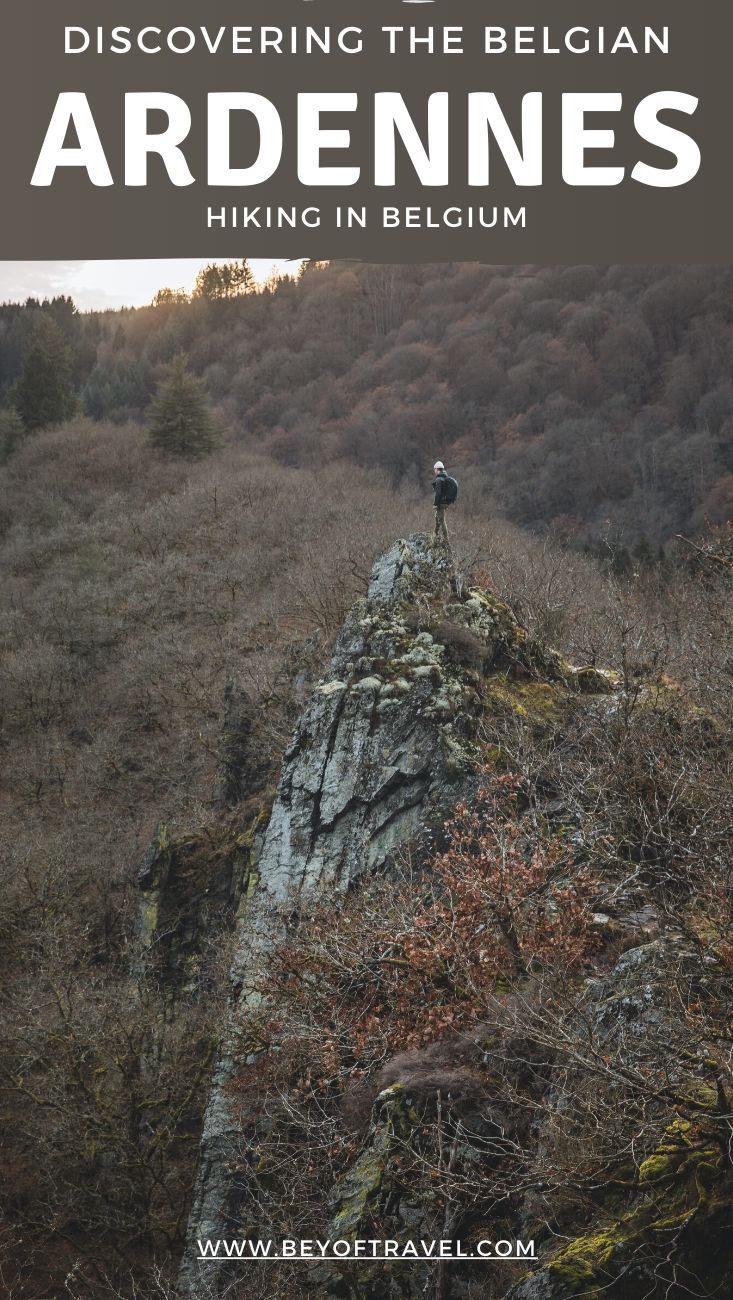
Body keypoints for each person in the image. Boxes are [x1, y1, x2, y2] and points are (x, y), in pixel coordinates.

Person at [432, 459, 452, 544]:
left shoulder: (439, 479)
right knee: (438, 517)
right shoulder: (446, 477)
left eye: (435, 469)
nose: (434, 471)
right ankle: (435, 533)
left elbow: (438, 494)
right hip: (446, 502)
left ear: (437, 469)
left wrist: (435, 504)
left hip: (441, 502)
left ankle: (446, 539)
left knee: (442, 520)